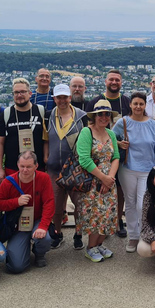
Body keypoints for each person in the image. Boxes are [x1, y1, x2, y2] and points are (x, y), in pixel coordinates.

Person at [113, 92, 155, 253]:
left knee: (143, 204)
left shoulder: (151, 124)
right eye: (135, 103)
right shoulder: (123, 122)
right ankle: (133, 236)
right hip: (127, 168)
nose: (138, 107)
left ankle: (145, 234)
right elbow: (108, 139)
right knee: (129, 203)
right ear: (130, 105)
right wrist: (119, 143)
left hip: (148, 170)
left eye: (141, 104)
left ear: (145, 105)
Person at [85, 69, 131, 238]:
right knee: (98, 192)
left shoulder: (126, 102)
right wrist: (115, 143)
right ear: (105, 81)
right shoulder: (96, 101)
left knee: (119, 190)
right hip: (99, 156)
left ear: (121, 82)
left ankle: (117, 220)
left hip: (121, 157)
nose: (114, 82)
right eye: (111, 79)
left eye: (117, 80)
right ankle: (98, 226)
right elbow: (88, 129)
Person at [0, 151, 54, 272]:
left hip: (37, 219)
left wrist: (43, 226)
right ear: (17, 165)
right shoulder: (9, 181)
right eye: (22, 166)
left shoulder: (44, 178)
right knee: (16, 267)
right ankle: (22, 249)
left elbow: (49, 203)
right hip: (18, 224)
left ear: (36, 166)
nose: (25, 170)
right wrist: (16, 202)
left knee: (45, 238)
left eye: (29, 167)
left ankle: (39, 253)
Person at [76, 100, 120, 262]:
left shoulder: (111, 133)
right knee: (95, 214)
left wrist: (110, 179)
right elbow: (85, 160)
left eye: (107, 114)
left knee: (108, 214)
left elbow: (116, 157)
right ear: (94, 116)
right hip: (93, 182)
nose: (103, 117)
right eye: (100, 114)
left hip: (109, 181)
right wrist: (103, 178)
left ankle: (100, 244)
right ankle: (90, 247)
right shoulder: (86, 132)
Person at [46, 84, 88, 250]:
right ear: (54, 99)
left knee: (79, 204)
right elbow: (45, 140)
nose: (62, 100)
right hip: (54, 168)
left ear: (69, 98)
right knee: (56, 206)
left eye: (65, 97)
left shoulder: (81, 116)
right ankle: (58, 233)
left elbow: (88, 139)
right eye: (59, 97)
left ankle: (78, 234)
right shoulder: (48, 116)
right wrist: (45, 157)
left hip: (76, 168)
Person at [0, 77, 48, 182]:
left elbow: (46, 140)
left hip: (38, 168)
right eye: (16, 92)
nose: (19, 95)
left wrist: (47, 161)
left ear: (30, 93)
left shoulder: (41, 111)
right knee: (14, 198)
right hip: (13, 169)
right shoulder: (5, 114)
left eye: (23, 92)